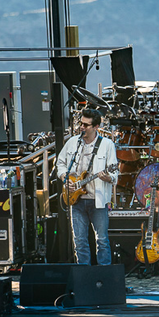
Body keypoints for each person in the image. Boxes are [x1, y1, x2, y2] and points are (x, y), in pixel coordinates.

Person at [56, 108, 118, 266]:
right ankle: (84, 275)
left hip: (97, 199)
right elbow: (60, 163)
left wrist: (108, 177)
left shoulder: (106, 145)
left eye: (86, 125)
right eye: (80, 124)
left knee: (102, 240)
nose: (81, 127)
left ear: (96, 127)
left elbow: (114, 171)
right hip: (76, 200)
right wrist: (65, 179)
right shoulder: (72, 142)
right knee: (79, 241)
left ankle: (104, 275)